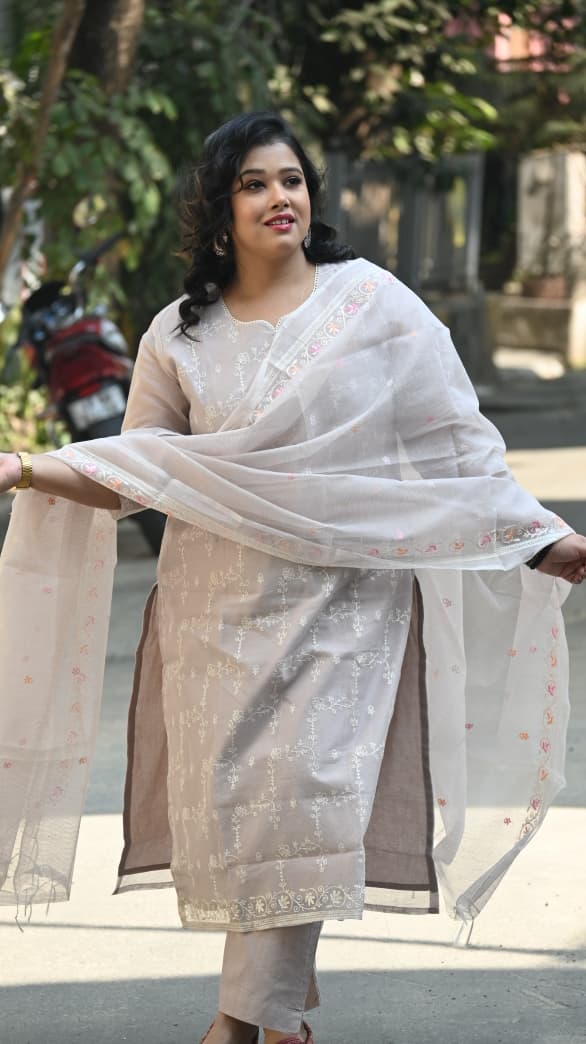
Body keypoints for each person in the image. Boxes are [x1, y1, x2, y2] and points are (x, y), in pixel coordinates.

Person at [1, 112, 585, 1044]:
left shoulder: (375, 306)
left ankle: (238, 1023)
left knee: (307, 803)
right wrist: (26, 468)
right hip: (215, 609)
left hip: (346, 599)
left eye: (292, 180)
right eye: (255, 183)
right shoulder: (179, 335)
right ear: (218, 208)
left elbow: (459, 446)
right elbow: (137, 471)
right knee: (247, 820)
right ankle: (281, 1022)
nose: (281, 197)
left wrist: (533, 535)